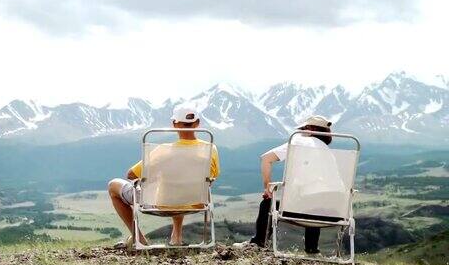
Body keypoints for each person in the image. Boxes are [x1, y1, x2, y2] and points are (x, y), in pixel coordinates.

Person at [108, 107, 220, 248]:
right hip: (196, 203)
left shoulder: (163, 151)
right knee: (181, 182)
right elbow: (214, 175)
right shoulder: (210, 149)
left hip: (160, 205)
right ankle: (177, 238)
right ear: (197, 123)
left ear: (174, 124)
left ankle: (139, 238)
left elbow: (131, 174)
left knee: (113, 185)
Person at [234, 115, 333, 254]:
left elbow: (266, 159)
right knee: (315, 200)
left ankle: (258, 243)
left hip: (301, 211)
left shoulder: (298, 141)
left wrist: (267, 187)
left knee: (267, 203)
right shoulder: (329, 153)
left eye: (303, 129)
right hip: (331, 212)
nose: (301, 132)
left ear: (310, 130)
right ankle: (312, 249)